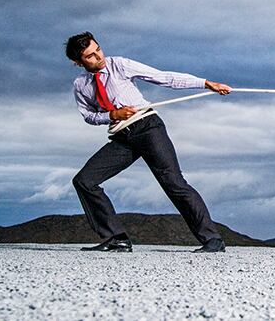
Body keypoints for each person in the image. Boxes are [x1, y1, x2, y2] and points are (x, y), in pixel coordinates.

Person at [65, 32, 232, 253]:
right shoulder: (81, 84)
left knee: (173, 183)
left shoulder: (120, 65)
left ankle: (213, 240)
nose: (99, 57)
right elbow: (89, 116)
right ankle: (117, 239)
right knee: (84, 181)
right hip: (122, 137)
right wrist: (113, 116)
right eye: (90, 56)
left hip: (147, 128)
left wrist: (206, 83)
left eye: (99, 50)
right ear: (78, 62)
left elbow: (164, 78)